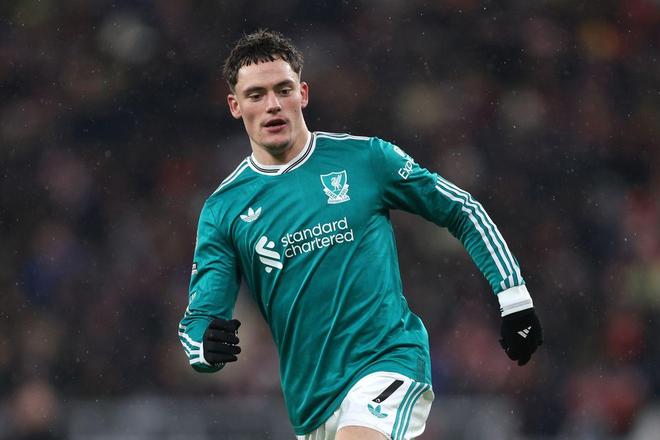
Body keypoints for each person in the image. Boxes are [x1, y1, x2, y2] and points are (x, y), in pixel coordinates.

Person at [178, 29, 543, 440]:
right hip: (311, 401)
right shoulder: (224, 209)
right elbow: (200, 318)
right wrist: (204, 347)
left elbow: (460, 210)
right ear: (235, 105)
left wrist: (515, 300)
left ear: (303, 93)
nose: (273, 105)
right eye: (256, 95)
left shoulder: (365, 159)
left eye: (283, 90)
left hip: (389, 361)